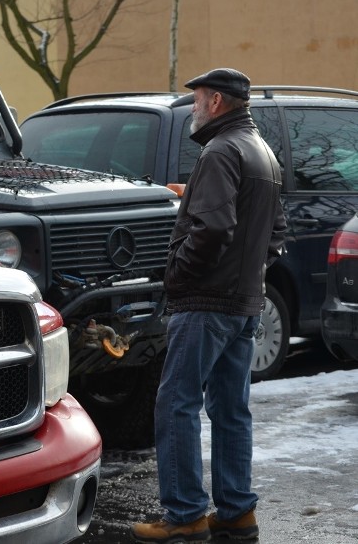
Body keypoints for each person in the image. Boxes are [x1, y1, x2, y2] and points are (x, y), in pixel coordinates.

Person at [131, 68, 287, 543]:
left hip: (206, 301)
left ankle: (184, 515)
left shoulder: (221, 151)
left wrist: (178, 273)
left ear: (216, 101)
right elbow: (276, 235)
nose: (193, 109)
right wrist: (249, 278)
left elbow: (214, 228)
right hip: (243, 302)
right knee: (231, 409)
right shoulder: (262, 152)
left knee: (176, 403)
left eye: (197, 100)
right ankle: (236, 511)